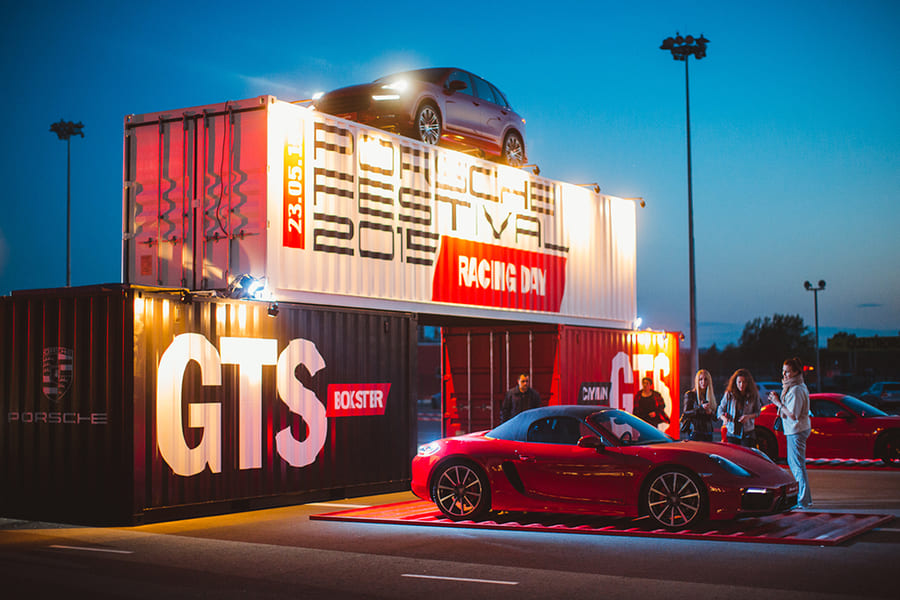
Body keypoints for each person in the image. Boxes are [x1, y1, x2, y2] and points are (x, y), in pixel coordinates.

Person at [768, 357, 812, 509]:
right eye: (783, 371)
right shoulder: (797, 386)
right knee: (798, 465)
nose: (784, 375)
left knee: (797, 466)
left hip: (796, 430)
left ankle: (803, 501)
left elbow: (793, 415)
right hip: (797, 429)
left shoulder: (796, 389)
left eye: (787, 372)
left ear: (795, 372)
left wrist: (777, 403)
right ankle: (805, 499)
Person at [718, 368, 761, 447]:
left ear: (748, 383)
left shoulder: (753, 394)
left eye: (744, 382)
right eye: (739, 382)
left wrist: (748, 417)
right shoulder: (729, 394)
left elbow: (758, 412)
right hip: (732, 431)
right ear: (735, 382)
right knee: (733, 453)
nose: (741, 385)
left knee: (746, 453)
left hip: (748, 431)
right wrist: (724, 418)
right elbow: (720, 409)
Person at [681, 369, 717, 441]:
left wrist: (710, 412)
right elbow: (686, 413)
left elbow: (715, 418)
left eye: (705, 379)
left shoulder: (710, 396)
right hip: (695, 432)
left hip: (708, 433)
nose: (703, 382)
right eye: (700, 379)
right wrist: (701, 408)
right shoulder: (690, 394)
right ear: (697, 381)